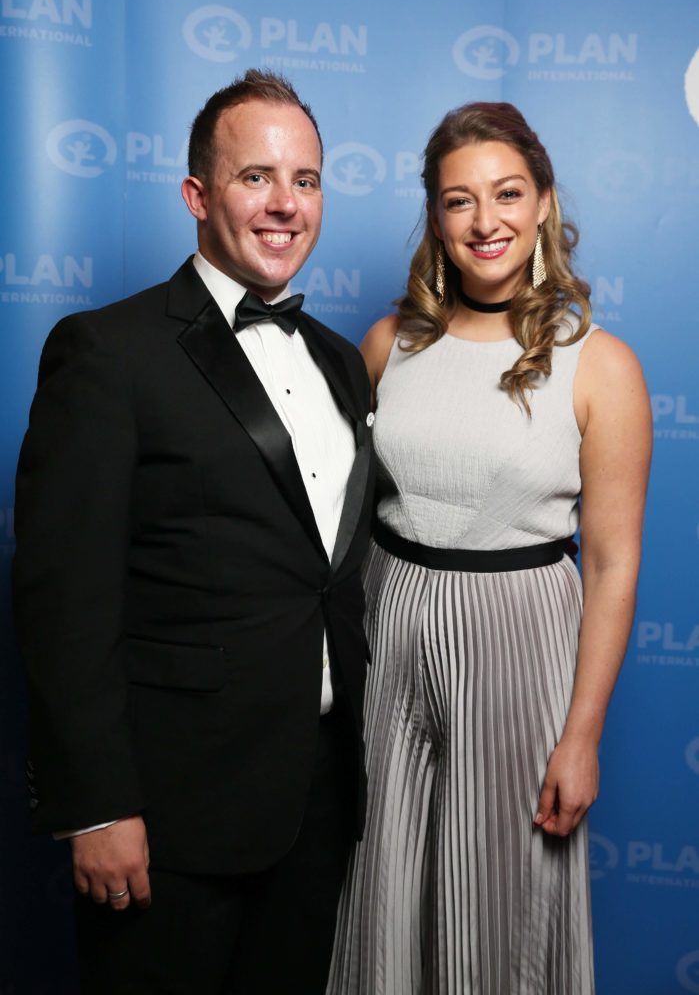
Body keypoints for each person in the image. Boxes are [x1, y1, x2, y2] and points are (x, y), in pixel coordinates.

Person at [13, 69, 375, 995]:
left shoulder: (340, 362)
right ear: (196, 195)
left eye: (306, 180)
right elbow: (65, 600)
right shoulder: (108, 352)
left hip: (319, 800)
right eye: (256, 177)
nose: (285, 205)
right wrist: (96, 807)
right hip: (170, 815)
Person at [327, 102, 651, 994]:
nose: (485, 222)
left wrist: (579, 738)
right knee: (379, 881)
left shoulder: (600, 367)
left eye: (507, 194)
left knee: (500, 904)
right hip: (389, 627)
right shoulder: (389, 345)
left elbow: (613, 563)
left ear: (543, 201)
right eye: (458, 201)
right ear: (434, 215)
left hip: (517, 636)